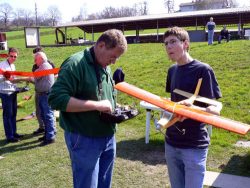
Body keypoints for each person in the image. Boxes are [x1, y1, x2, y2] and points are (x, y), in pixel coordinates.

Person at [48, 29, 127, 188]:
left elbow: (100, 92)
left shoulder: (104, 64)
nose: (114, 62)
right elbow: (56, 99)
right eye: (113, 57)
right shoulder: (75, 64)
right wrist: (97, 105)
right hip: (84, 138)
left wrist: (114, 105)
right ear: (101, 45)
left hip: (107, 136)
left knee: (104, 183)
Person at [163, 27, 222, 188]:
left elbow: (215, 110)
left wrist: (191, 110)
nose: (168, 47)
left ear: (186, 44)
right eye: (166, 43)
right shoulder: (172, 71)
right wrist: (166, 107)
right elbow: (173, 101)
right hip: (171, 141)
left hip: (194, 145)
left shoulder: (203, 70)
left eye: (173, 42)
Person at [28, 52, 56, 146]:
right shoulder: (45, 66)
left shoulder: (44, 66)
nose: (35, 62)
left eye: (36, 60)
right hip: (43, 94)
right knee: (45, 115)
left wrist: (28, 77)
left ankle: (50, 136)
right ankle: (47, 134)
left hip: (45, 94)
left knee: (48, 115)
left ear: (40, 59)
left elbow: (35, 75)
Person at [0, 47, 24, 143]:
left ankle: (14, 132)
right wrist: (5, 78)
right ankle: (9, 136)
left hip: (13, 92)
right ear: (8, 55)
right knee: (7, 115)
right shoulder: (1, 65)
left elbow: (13, 79)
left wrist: (19, 85)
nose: (13, 58)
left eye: (15, 57)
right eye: (12, 56)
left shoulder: (13, 66)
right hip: (5, 93)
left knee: (14, 114)